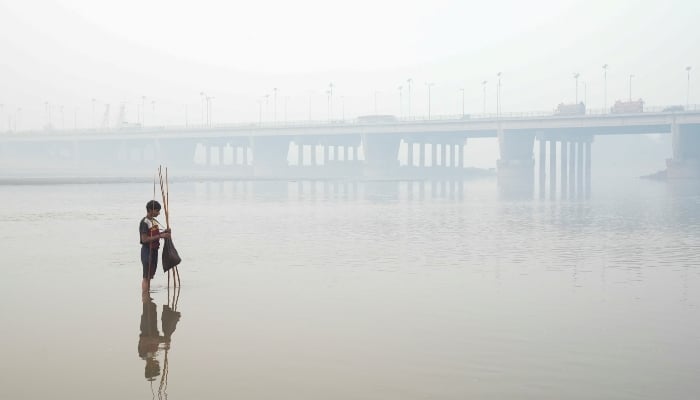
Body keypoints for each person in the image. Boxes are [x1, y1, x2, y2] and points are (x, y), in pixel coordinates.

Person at [139, 200, 171, 293]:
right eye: (157, 211)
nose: (159, 213)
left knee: (150, 276)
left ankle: (148, 300)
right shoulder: (144, 222)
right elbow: (144, 239)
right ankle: (145, 296)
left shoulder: (154, 221)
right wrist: (161, 236)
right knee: (146, 277)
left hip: (154, 251)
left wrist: (164, 233)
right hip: (147, 251)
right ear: (150, 210)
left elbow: (156, 234)